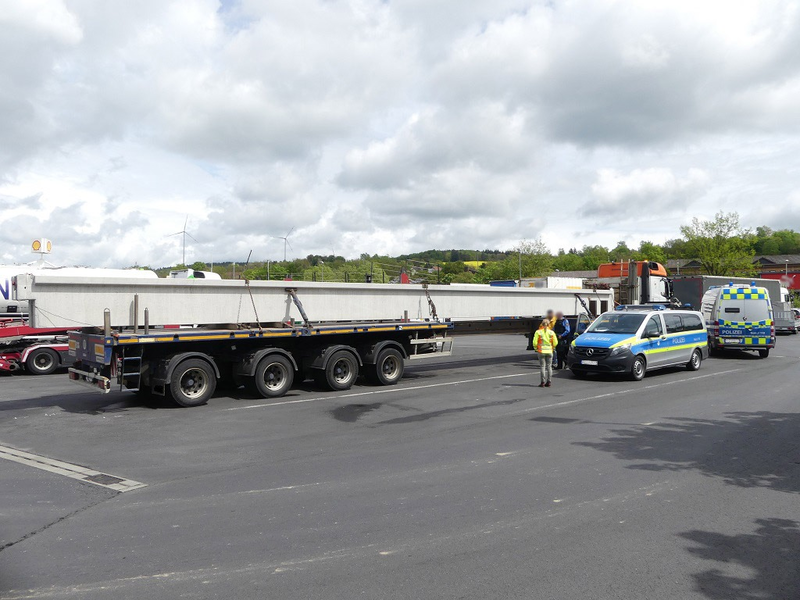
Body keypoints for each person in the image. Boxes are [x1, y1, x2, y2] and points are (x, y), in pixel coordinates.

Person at [532, 318, 558, 387]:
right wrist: (552, 347)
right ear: (549, 325)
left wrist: (536, 348)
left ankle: (542, 382)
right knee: (549, 366)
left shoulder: (538, 332)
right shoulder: (552, 332)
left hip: (541, 351)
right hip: (549, 351)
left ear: (542, 324)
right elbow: (555, 342)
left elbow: (534, 342)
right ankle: (549, 381)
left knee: (542, 366)